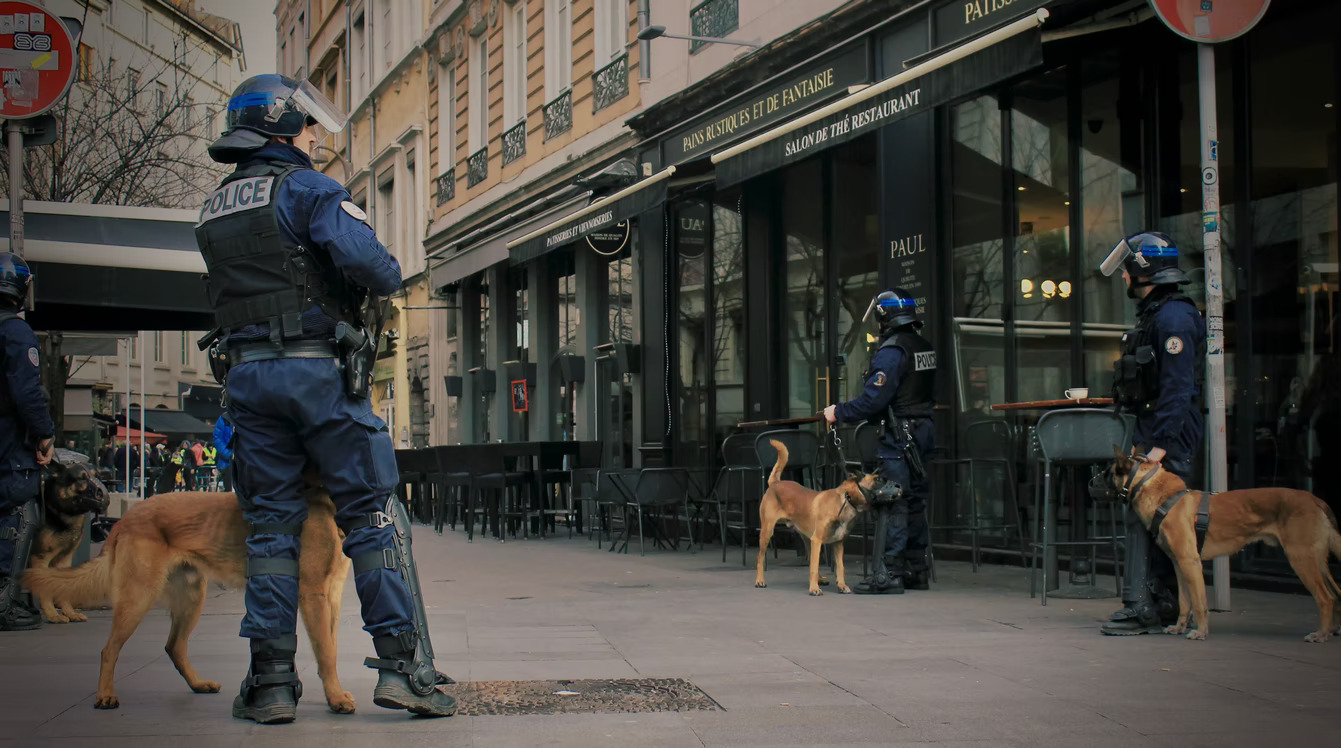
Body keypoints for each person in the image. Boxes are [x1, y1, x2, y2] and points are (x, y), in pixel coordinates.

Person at [196, 73, 455, 723]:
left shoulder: (218, 204)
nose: (315, 136)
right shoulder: (310, 189)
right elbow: (379, 270)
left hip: (247, 379)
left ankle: (271, 684)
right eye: (309, 125)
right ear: (284, 127)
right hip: (316, 374)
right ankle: (403, 670)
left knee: (271, 529)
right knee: (371, 517)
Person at [1097, 231, 1206, 635]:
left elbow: (1178, 388)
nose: (1124, 277)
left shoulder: (1173, 318)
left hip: (1168, 432)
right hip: (1154, 426)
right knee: (1150, 520)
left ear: (1144, 271)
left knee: (1156, 519)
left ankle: (1145, 605)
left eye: (1127, 270)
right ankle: (1160, 604)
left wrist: (1160, 446)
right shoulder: (1158, 314)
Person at [823, 288, 936, 595]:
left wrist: (839, 412)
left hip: (900, 434)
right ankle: (916, 570)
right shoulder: (923, 346)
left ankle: (888, 574)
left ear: (884, 317)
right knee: (915, 501)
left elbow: (873, 399)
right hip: (922, 430)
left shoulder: (892, 351)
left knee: (893, 500)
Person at [0, 252, 55, 631]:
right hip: (8, 441)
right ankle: (5, 602)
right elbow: (27, 393)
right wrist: (44, 432)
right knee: (19, 514)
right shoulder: (15, 333)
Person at [213, 416, 234, 493]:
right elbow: (218, 439)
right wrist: (229, 454)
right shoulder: (225, 418)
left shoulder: (250, 415)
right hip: (228, 463)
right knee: (229, 492)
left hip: (247, 462)